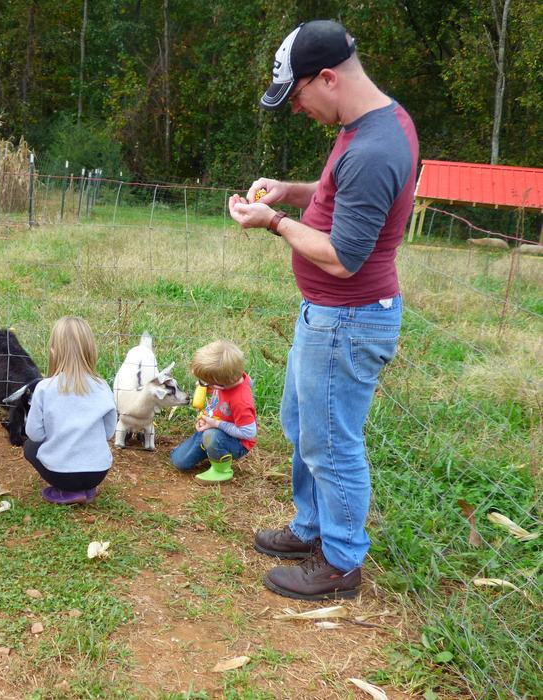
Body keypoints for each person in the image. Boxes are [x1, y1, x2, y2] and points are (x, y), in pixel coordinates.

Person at [228, 20, 418, 600]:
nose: (297, 109)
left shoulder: (374, 147)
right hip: (330, 317)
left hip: (348, 317)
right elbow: (340, 194)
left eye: (299, 96)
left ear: (329, 78)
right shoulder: (371, 128)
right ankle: (312, 528)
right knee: (304, 424)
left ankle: (339, 562)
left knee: (331, 442)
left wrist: (275, 223)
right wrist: (289, 190)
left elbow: (342, 258)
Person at [24, 317, 117, 505]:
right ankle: (87, 489)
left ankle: (67, 492)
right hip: (98, 471)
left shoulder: (44, 388)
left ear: (53, 352)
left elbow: (33, 433)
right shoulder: (103, 386)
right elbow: (109, 433)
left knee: (30, 448)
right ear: (91, 351)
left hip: (61, 473)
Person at [170, 340, 256, 482]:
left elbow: (248, 433)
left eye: (206, 381)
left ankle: (221, 470)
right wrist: (206, 387)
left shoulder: (241, 401)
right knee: (178, 461)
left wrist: (215, 424)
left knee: (212, 436)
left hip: (235, 441)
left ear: (221, 383)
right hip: (213, 427)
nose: (202, 383)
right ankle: (211, 449)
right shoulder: (230, 378)